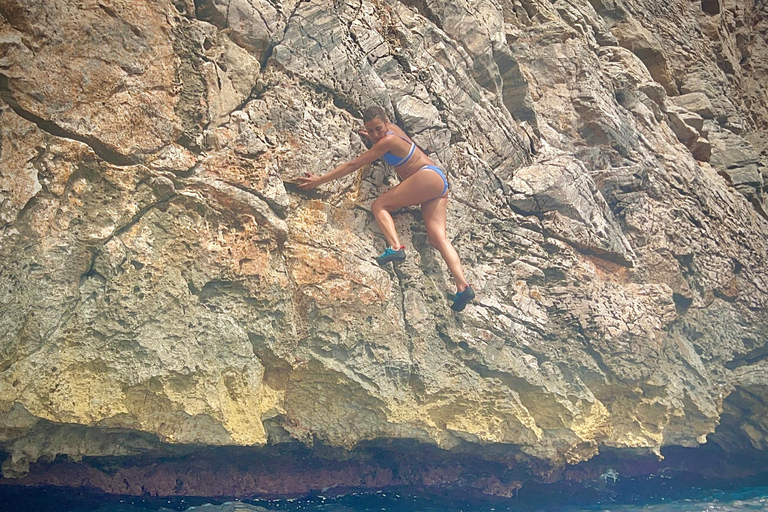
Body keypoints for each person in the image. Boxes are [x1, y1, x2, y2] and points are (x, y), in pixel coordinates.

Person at [297, 106, 475, 311]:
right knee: (438, 238)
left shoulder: (387, 141)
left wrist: (320, 180)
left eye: (378, 129)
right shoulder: (393, 132)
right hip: (437, 180)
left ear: (387, 122)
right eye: (370, 130)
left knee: (379, 205)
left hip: (425, 177)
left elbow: (353, 165)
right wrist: (374, 138)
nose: (375, 134)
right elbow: (386, 143)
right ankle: (463, 286)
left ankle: (395, 248)